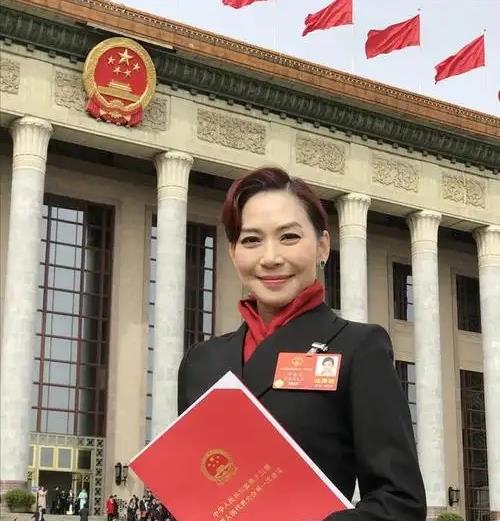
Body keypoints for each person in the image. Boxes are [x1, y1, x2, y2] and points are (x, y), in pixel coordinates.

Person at [177, 167, 427, 521]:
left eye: (289, 237)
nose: (270, 257)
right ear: (233, 252)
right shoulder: (202, 362)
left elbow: (400, 502)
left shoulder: (357, 347)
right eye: (251, 240)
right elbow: (196, 488)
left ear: (322, 245)